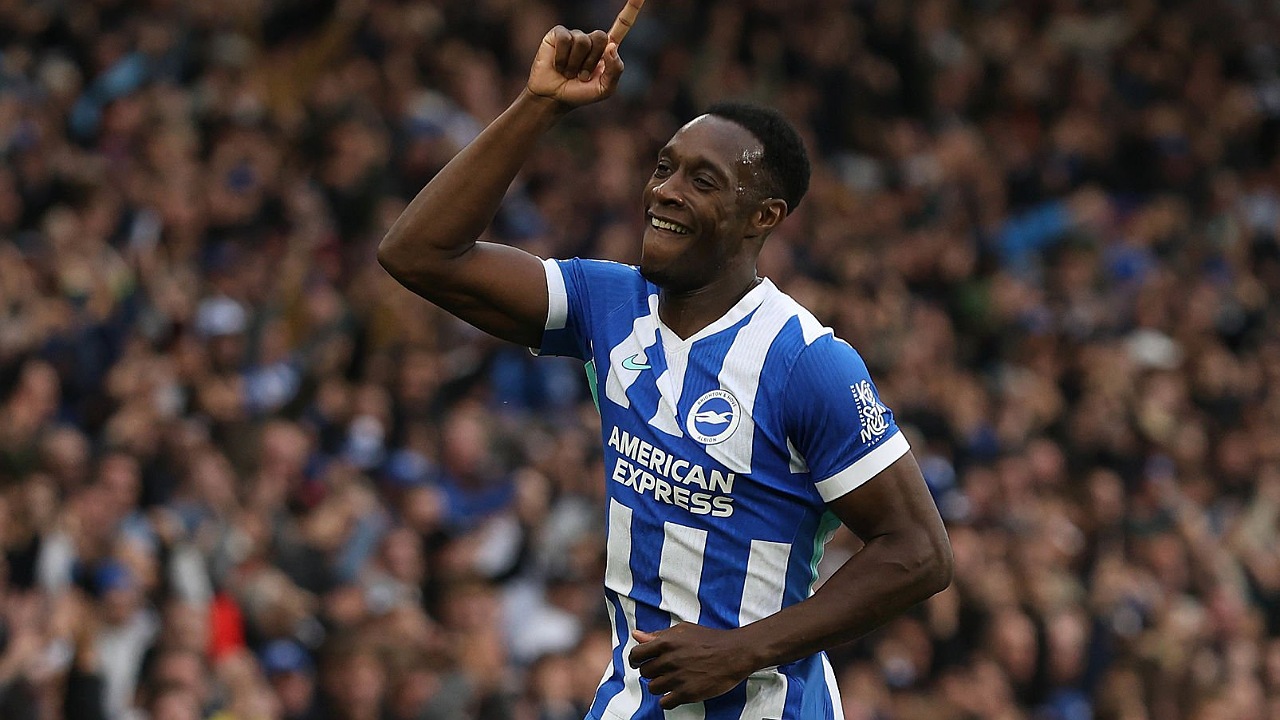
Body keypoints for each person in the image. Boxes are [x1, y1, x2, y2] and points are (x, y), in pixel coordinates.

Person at [377, 3, 954, 717]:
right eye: (665, 168)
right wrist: (539, 105)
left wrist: (746, 648)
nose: (666, 192)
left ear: (763, 216)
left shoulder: (806, 363)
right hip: (633, 701)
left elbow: (919, 553)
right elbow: (419, 253)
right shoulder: (607, 305)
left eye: (703, 181)